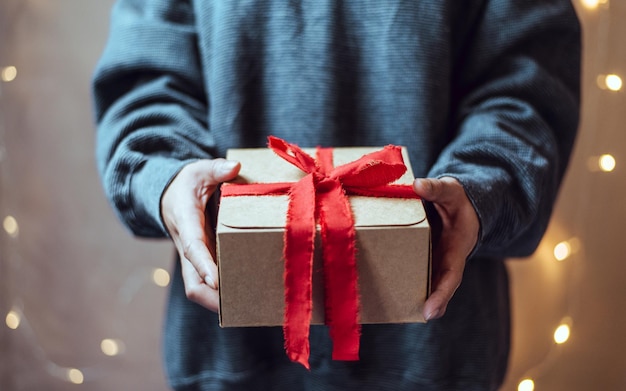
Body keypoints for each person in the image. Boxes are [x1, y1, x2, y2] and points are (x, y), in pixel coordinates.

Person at [92, 1, 581, 390]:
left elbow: (525, 86)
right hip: (229, 359)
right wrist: (168, 178)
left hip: (435, 358)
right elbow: (147, 85)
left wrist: (482, 188)